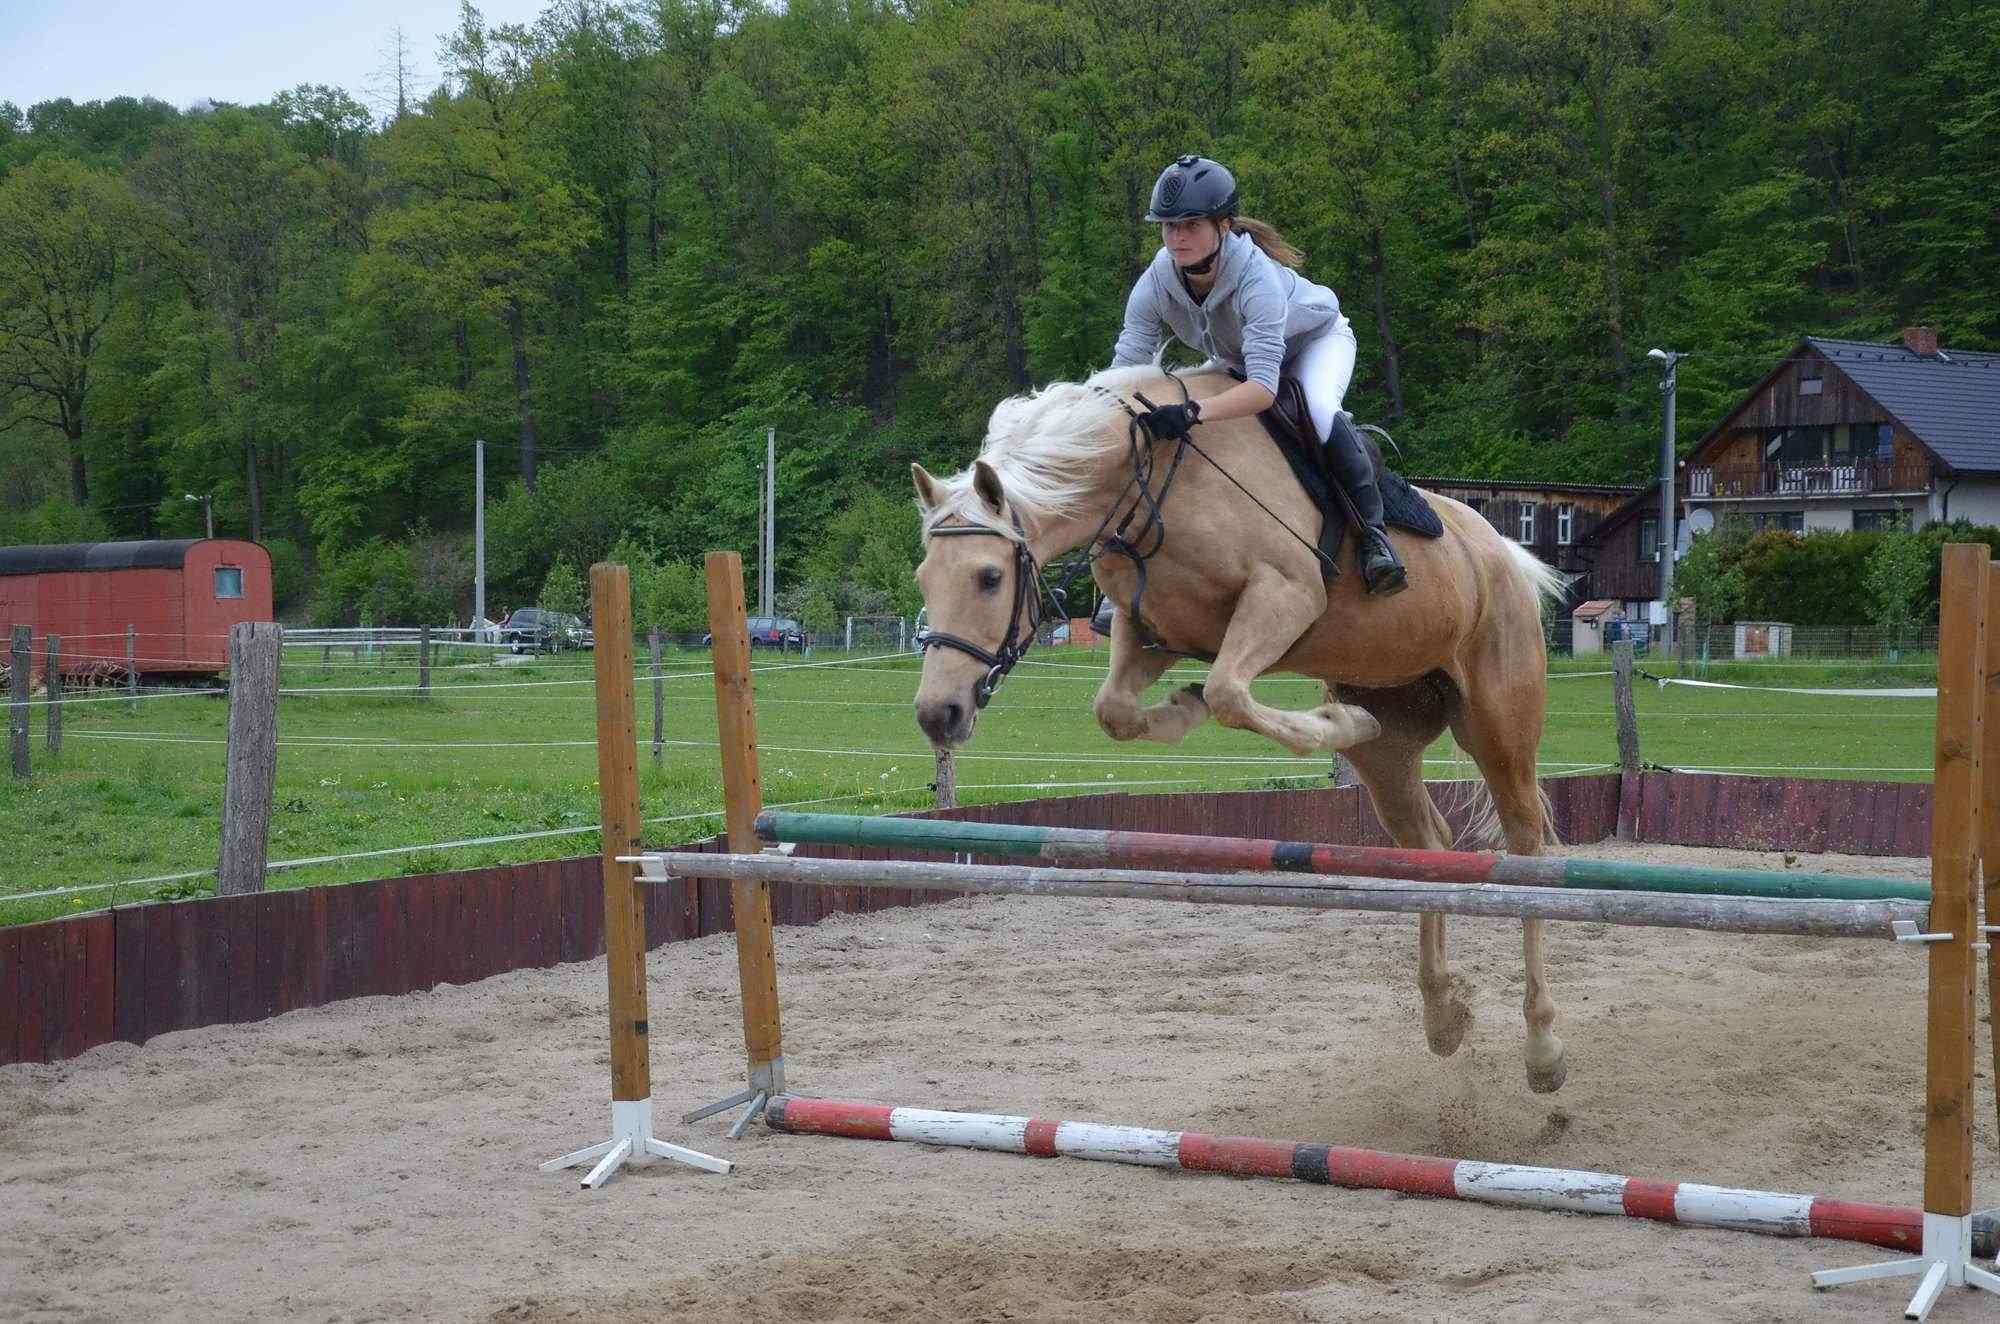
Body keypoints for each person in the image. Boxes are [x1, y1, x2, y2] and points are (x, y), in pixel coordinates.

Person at [1109, 155, 1405, 595]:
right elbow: (1127, 366)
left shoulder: (1256, 279)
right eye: (1169, 226)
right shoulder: (1156, 280)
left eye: (1191, 224)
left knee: (1321, 412)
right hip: (1240, 360)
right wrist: (1101, 410)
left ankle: (1375, 539)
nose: (1177, 237)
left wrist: (1191, 411)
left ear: (1223, 225)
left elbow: (1264, 390)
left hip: (1312, 345)